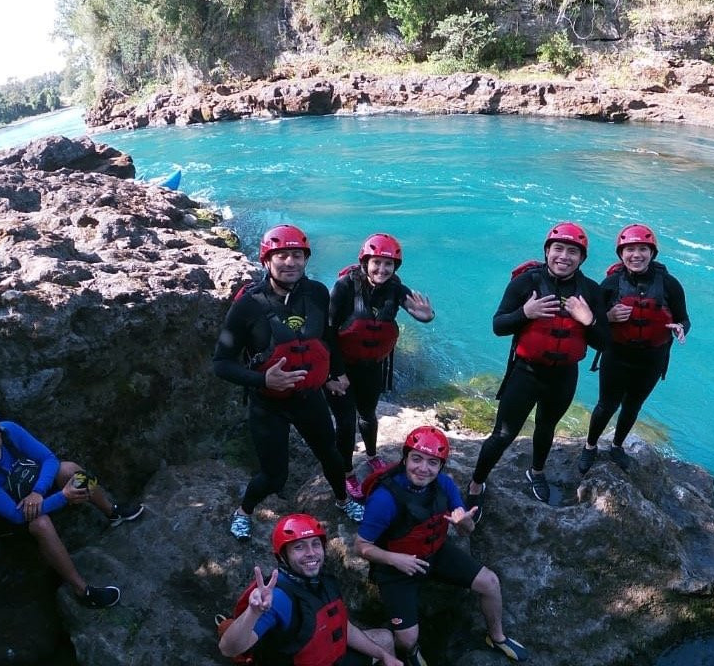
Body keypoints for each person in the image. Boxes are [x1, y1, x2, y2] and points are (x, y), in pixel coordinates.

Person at [213, 224, 365, 541]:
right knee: (274, 475)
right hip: (267, 404)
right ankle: (243, 511)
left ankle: (343, 500)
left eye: (297, 255)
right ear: (266, 260)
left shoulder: (317, 294)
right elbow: (222, 363)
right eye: (282, 255)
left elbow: (328, 339)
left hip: (309, 397)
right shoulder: (248, 305)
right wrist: (262, 378)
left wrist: (336, 374)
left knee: (332, 457)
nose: (291, 263)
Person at [464, 222, 609, 516]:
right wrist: (525, 313)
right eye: (558, 249)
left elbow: (604, 342)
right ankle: (476, 484)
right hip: (525, 373)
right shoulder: (525, 283)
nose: (564, 256)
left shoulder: (591, 291)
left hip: (564, 376)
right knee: (503, 434)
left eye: (573, 251)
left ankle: (537, 471)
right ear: (546, 252)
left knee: (546, 426)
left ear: (581, 259)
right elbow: (498, 326)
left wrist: (588, 320)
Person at [354, 426, 529, 665]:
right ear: (405, 459)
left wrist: (465, 523)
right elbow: (361, 546)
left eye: (432, 463)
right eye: (417, 459)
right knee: (406, 639)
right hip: (397, 567)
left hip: (434, 553)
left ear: (440, 466)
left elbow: (466, 529)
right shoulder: (384, 499)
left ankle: (497, 637)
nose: (423, 468)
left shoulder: (444, 485)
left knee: (490, 582)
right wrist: (395, 559)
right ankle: (411, 651)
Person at [0, 399, 143, 608]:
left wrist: (39, 492)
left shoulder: (8, 430)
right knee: (41, 523)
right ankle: (82, 590)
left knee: (70, 469)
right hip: (11, 519)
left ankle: (112, 512)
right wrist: (64, 496)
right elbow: (15, 515)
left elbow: (49, 458)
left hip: (34, 491)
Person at [577, 223, 690, 473]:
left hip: (651, 360)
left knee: (632, 406)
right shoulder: (610, 284)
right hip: (616, 356)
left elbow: (684, 318)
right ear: (621, 254)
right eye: (630, 249)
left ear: (652, 253)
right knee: (606, 405)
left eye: (642, 249)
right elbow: (592, 322)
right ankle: (590, 446)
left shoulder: (670, 285)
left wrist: (681, 328)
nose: (636, 255)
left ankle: (617, 446)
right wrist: (609, 317)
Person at [328, 233, 435, 500]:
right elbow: (326, 332)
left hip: (372, 367)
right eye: (376, 262)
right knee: (344, 422)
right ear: (365, 262)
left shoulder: (395, 288)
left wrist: (427, 316)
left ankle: (373, 455)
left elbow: (418, 310)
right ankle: (347, 472)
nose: (382, 269)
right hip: (341, 367)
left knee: (368, 415)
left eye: (388, 264)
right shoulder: (344, 287)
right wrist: (334, 373)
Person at [219, 512, 402, 666]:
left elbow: (340, 625)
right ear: (283, 557)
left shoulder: (323, 581)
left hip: (329, 657)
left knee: (385, 639)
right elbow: (228, 648)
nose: (311, 553)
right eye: (299, 547)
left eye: (315, 544)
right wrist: (253, 612)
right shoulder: (277, 598)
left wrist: (383, 655)